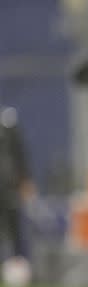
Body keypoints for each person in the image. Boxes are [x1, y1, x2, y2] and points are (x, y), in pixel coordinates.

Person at [0, 106, 34, 261]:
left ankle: (19, 264)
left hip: (9, 188)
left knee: (15, 229)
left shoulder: (8, 125)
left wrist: (24, 180)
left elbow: (20, 154)